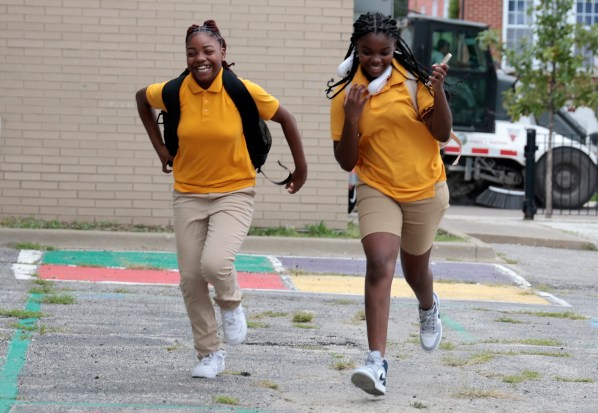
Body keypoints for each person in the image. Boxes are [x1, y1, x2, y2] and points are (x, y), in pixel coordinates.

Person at [136, 20, 307, 379]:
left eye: (207, 51)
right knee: (189, 277)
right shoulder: (173, 90)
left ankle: (231, 304)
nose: (200, 58)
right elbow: (141, 98)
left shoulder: (242, 90)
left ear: (222, 52)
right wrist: (161, 150)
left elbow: (287, 119)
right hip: (188, 194)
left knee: (214, 264)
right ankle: (209, 354)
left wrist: (300, 169)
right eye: (192, 52)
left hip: (235, 191)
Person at [326, 12, 451, 396]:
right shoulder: (347, 92)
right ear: (356, 49)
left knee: (416, 272)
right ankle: (376, 361)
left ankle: (428, 308)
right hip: (376, 187)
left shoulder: (415, 82)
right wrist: (352, 118)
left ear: (395, 47)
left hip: (424, 189)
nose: (375, 59)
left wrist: (440, 90)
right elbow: (346, 161)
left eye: (383, 52)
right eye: (366, 52)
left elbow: (442, 134)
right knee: (380, 263)